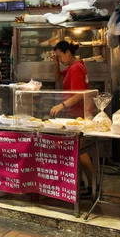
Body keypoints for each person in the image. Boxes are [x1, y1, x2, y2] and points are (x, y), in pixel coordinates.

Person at [49, 40, 94, 198]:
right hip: (74, 113)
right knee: (77, 150)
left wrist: (61, 105)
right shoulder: (72, 67)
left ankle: (93, 185)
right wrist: (55, 63)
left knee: (79, 151)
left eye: (60, 56)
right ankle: (81, 184)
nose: (60, 59)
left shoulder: (75, 68)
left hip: (79, 114)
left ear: (68, 52)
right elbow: (57, 78)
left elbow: (78, 94)